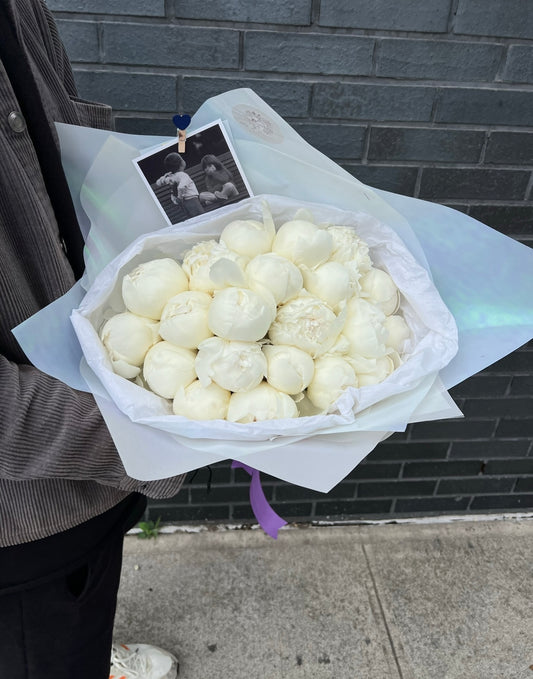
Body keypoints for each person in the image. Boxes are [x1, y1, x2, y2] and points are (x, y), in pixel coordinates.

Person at [0, 2, 181, 677]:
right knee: (45, 646)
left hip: (93, 475)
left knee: (84, 608)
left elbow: (54, 140)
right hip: (24, 524)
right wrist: (172, 422)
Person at [156, 152, 205, 218]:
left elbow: (158, 183)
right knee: (202, 217)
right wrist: (180, 198)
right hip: (192, 201)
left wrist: (165, 178)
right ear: (181, 164)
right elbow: (181, 187)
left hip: (183, 204)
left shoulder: (171, 176)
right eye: (182, 159)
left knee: (192, 219)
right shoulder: (183, 175)